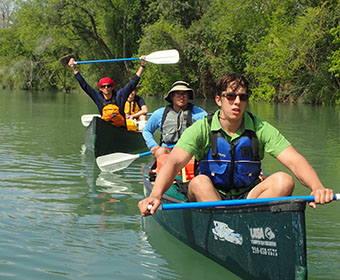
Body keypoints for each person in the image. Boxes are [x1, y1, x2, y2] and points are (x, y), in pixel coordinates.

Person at [139, 73, 334, 216]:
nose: (237, 102)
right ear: (218, 100)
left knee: (284, 180)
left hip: (248, 197)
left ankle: (248, 224)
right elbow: (173, 163)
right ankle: (227, 227)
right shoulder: (202, 128)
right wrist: (155, 195)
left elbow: (294, 160)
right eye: (231, 96)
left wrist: (317, 187)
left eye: (243, 97)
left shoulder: (259, 127)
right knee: (199, 182)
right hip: (211, 196)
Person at [68, 56, 146, 128]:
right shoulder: (98, 97)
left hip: (121, 128)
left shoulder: (120, 95)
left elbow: (132, 83)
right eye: (103, 86)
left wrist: (142, 66)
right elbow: (85, 86)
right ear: (100, 88)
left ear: (112, 87)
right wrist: (74, 69)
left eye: (108, 86)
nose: (106, 88)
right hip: (105, 128)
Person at [142, 81, 207, 159]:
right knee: (161, 151)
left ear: (188, 96)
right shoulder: (159, 113)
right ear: (172, 96)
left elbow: (209, 132)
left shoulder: (200, 114)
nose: (181, 97)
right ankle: (165, 169)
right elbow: (147, 130)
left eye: (184, 94)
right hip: (167, 151)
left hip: (190, 151)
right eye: (177, 94)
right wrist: (153, 145)